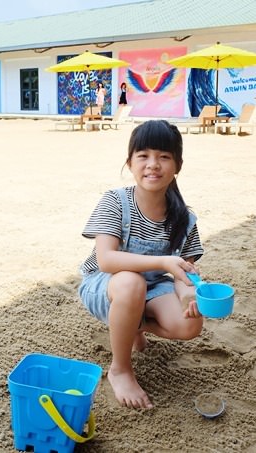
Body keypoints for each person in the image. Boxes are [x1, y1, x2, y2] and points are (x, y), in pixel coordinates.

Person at [78, 120, 204, 409]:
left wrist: (187, 295)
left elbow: (183, 272)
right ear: (130, 162)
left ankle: (132, 325)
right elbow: (106, 259)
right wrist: (163, 260)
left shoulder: (184, 218)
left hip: (152, 287)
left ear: (177, 165)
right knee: (131, 282)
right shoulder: (115, 201)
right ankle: (120, 368)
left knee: (190, 324)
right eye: (143, 156)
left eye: (164, 156)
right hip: (106, 285)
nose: (153, 164)